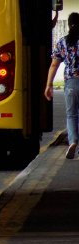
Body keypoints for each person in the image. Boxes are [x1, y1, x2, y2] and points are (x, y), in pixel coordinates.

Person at [45, 12, 79, 159]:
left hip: (71, 83)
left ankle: (73, 141)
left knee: (71, 115)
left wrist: (49, 84)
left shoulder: (62, 42)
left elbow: (54, 64)